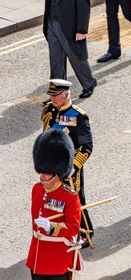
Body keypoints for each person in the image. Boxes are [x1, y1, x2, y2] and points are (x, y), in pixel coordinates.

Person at [41, 79, 94, 248]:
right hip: (51, 166)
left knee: (75, 199)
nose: (52, 98)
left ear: (66, 96)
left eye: (55, 96)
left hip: (69, 167)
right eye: (51, 95)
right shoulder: (49, 109)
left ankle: (85, 232)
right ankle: (60, 229)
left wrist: (72, 168)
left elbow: (86, 147)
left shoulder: (79, 116)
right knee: (55, 199)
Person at [27, 129, 82, 279]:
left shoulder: (69, 196)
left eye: (47, 173)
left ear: (57, 173)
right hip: (37, 255)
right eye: (41, 172)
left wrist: (51, 227)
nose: (43, 176)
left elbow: (73, 228)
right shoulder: (37, 189)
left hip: (57, 258)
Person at [43, 0, 97, 98]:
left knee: (75, 56)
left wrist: (82, 29)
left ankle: (89, 83)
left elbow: (83, 4)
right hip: (51, 22)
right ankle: (57, 93)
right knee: (56, 60)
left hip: (69, 25)